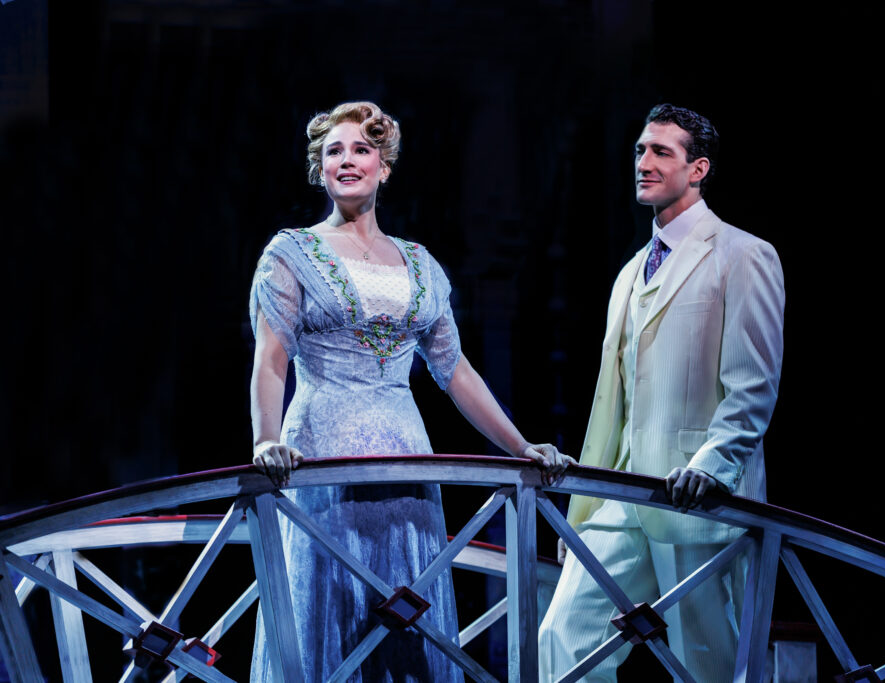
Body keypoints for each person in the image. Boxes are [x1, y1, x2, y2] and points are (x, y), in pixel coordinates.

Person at [248, 101, 572, 682]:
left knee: (407, 612)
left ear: (385, 166)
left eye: (362, 149)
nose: (348, 160)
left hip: (407, 462)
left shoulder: (420, 263)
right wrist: (266, 441)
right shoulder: (290, 253)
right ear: (320, 169)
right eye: (334, 151)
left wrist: (520, 446)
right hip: (324, 453)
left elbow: (456, 371)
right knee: (329, 613)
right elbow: (271, 359)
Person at [538, 104, 785, 682]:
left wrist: (713, 468)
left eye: (660, 152)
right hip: (625, 492)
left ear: (698, 168)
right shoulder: (630, 272)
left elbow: (752, 385)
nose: (643, 163)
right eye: (640, 151)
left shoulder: (743, 254)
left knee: (707, 664)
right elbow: (612, 404)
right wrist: (583, 510)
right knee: (562, 637)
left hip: (698, 496)